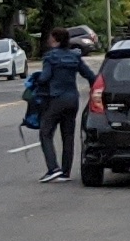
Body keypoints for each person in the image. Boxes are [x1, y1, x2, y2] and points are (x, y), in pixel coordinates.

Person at [25, 27, 91, 180]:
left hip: (56, 99)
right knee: (68, 136)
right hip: (73, 100)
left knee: (45, 132)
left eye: (50, 37)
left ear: (55, 39)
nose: (48, 40)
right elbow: (89, 74)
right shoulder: (75, 56)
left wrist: (37, 80)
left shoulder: (50, 57)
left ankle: (53, 168)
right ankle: (66, 172)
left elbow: (45, 78)